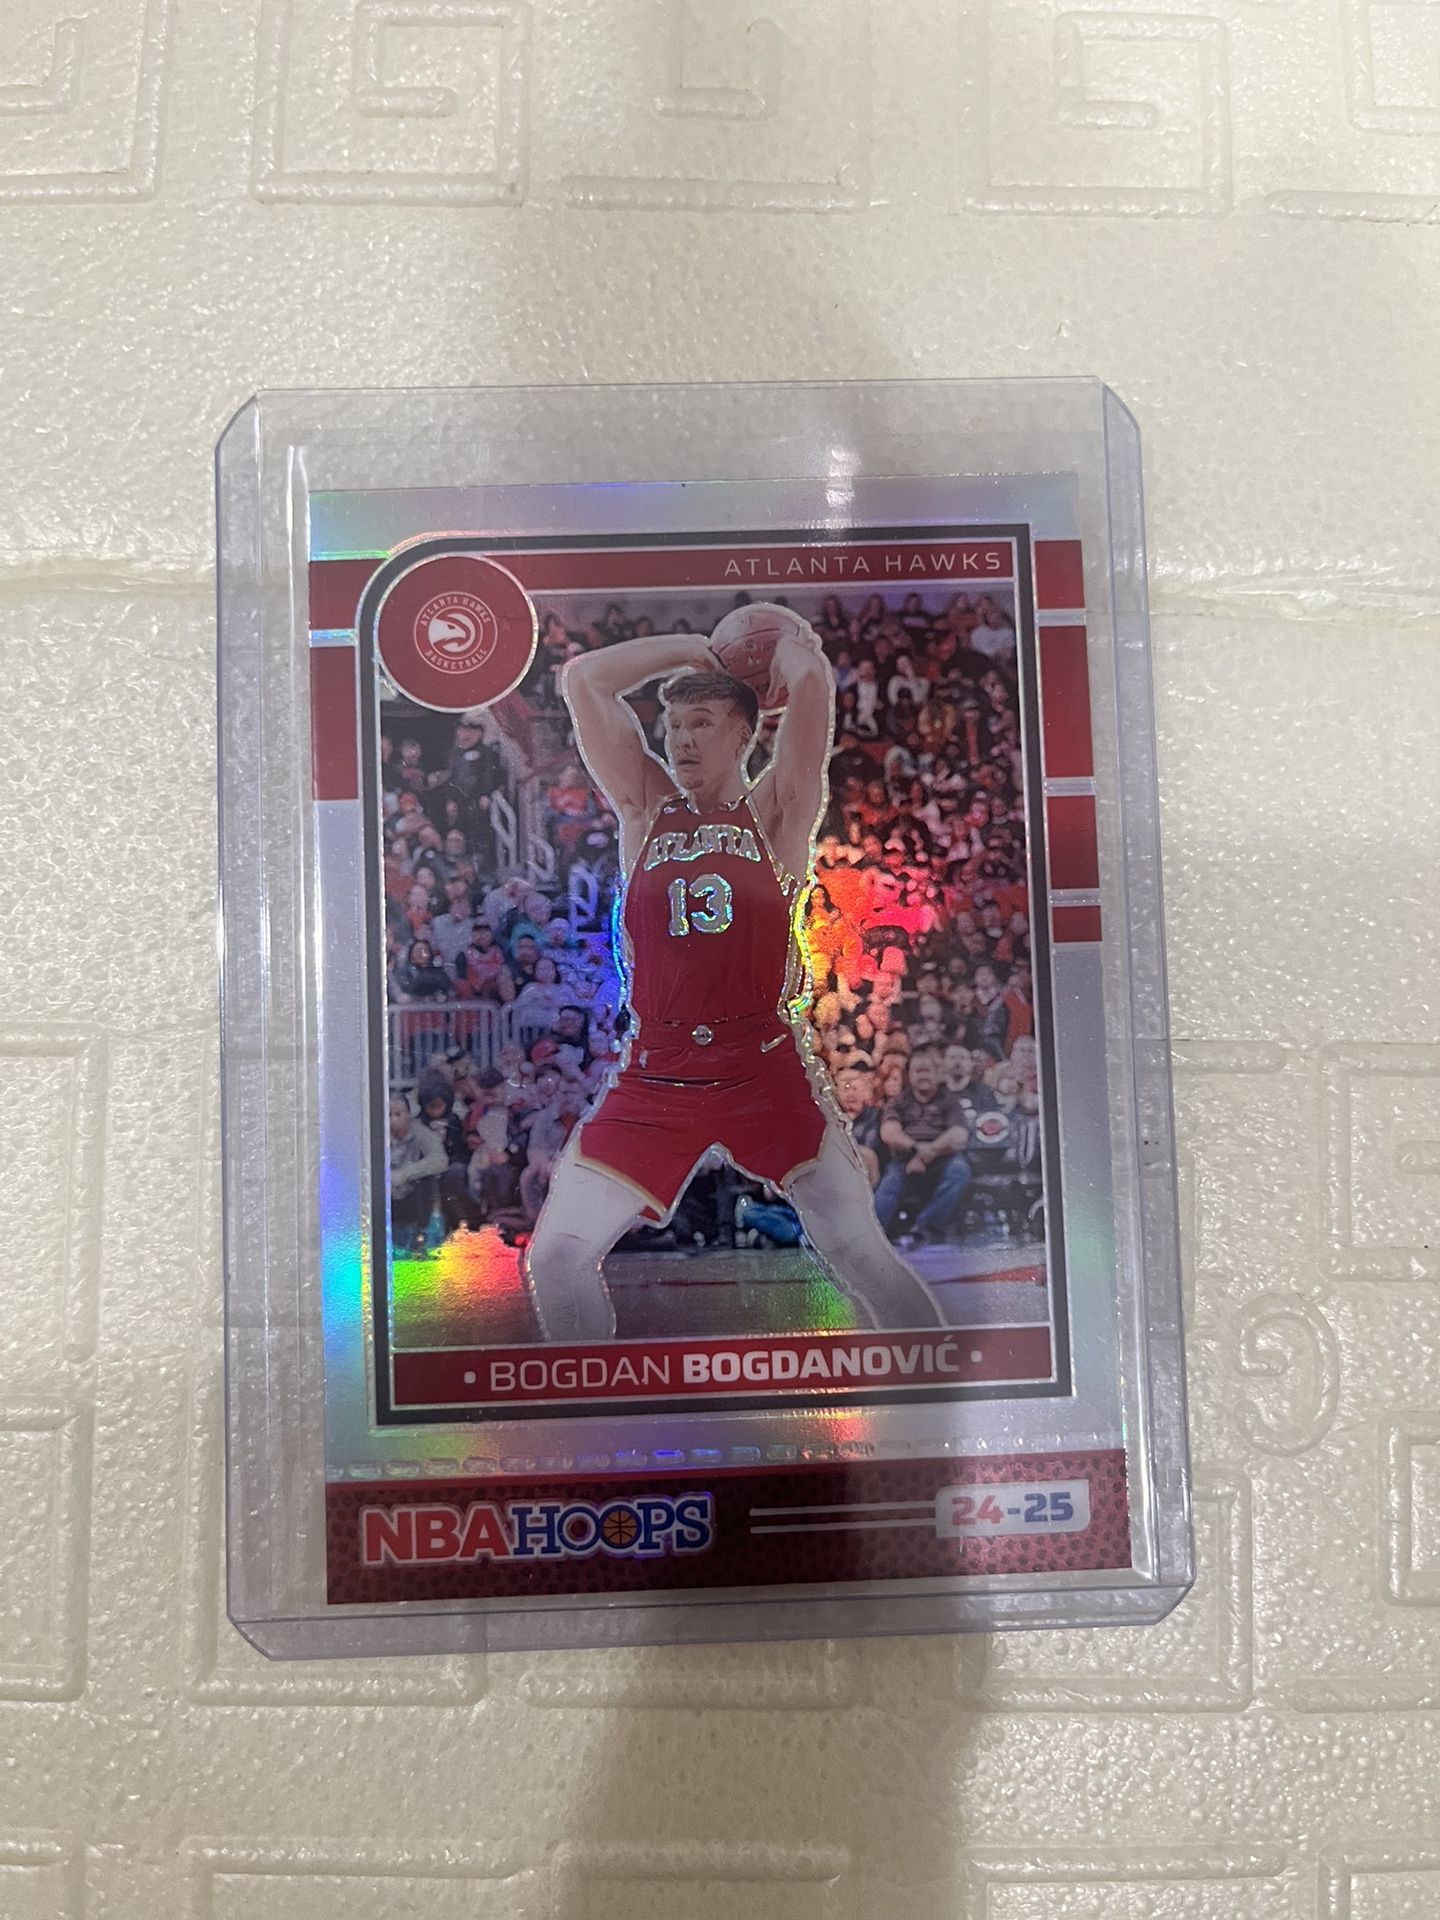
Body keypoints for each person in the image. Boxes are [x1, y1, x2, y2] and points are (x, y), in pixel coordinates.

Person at [524, 610, 943, 1341]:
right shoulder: (646, 806)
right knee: (555, 1259)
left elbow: (810, 684)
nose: (681, 740)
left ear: (744, 733)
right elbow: (585, 679)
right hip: (657, 1071)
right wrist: (696, 648)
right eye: (672, 726)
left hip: (762, 1067)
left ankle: (939, 1377)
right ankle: (588, 1401)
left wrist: (788, 648)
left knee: (857, 1251)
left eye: (702, 724)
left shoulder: (776, 812)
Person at [874, 1047, 973, 1247]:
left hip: (944, 1158)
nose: (923, 1076)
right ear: (909, 1075)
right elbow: (889, 1133)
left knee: (960, 1171)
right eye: (918, 1071)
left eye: (928, 1070)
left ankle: (925, 1229)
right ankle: (873, 1234)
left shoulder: (950, 1102)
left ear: (938, 1074)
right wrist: (916, 1151)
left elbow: (959, 1136)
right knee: (890, 1185)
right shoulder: (898, 1102)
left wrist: (929, 1153)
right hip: (905, 1158)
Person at [388, 1093, 447, 1255]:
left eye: (398, 1114)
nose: (393, 1120)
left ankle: (428, 1239)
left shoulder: (420, 1132)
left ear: (408, 1114)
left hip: (413, 1194)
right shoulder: (378, 1133)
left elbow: (440, 1160)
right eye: (389, 1115)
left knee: (431, 1182)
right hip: (387, 1196)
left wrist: (406, 1173)